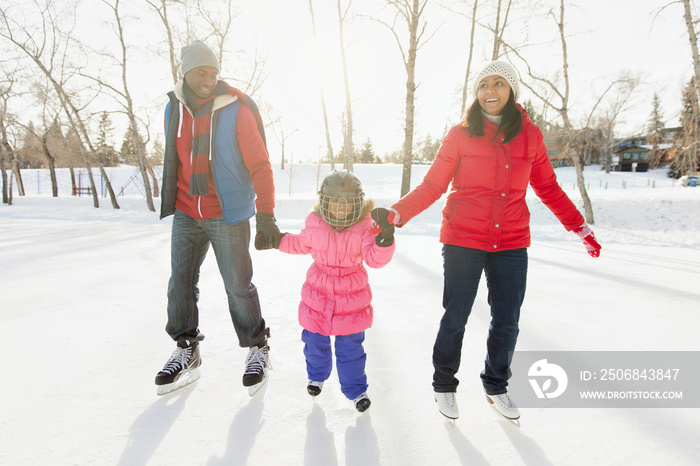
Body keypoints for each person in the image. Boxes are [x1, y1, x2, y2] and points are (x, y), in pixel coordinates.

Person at [371, 60, 601, 420]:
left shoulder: (531, 136)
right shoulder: (461, 134)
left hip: (511, 240)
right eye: (483, 85)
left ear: (511, 91)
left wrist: (579, 227)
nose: (489, 91)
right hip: (464, 238)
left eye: (498, 83)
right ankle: (444, 385)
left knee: (507, 320)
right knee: (456, 315)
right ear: (476, 93)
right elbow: (433, 185)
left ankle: (496, 385)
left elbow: (549, 188)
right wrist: (398, 213)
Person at [155, 40, 280, 396]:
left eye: (213, 72)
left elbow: (260, 164)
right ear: (185, 73)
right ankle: (186, 348)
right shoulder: (173, 110)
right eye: (201, 72)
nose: (208, 79)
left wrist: (266, 213)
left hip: (227, 212)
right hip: (185, 209)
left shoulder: (236, 110)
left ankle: (258, 347)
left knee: (238, 285)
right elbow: (173, 157)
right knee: (180, 281)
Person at [274, 170, 395, 412]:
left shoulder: (364, 228)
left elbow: (374, 259)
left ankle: (356, 390)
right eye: (335, 203)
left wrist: (384, 240)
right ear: (324, 203)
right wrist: (275, 240)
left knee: (350, 349)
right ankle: (316, 376)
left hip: (351, 298)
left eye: (347, 204)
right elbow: (299, 243)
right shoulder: (315, 224)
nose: (341, 209)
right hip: (317, 296)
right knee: (314, 341)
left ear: (357, 204)